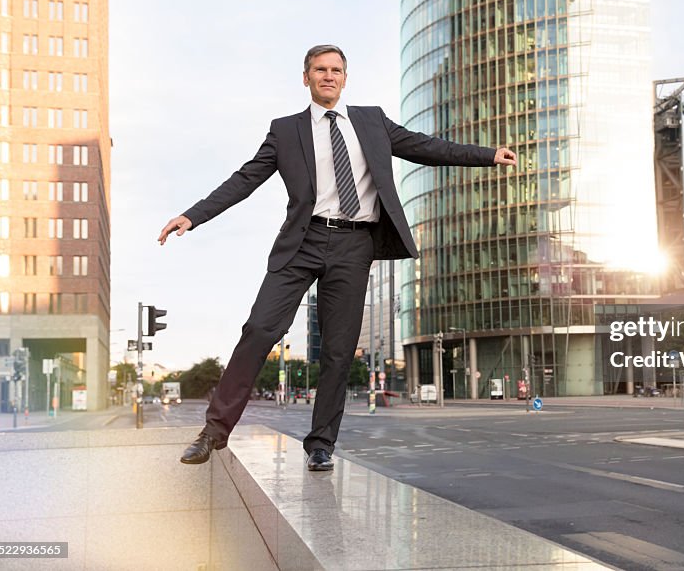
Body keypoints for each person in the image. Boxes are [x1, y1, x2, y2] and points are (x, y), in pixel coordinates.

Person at [159, 44, 517, 470]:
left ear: (345, 78)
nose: (328, 76)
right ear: (306, 77)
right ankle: (213, 432)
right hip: (303, 241)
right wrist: (193, 215)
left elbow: (426, 147)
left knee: (339, 350)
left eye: (336, 70)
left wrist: (487, 155)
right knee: (259, 328)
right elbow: (245, 179)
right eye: (320, 70)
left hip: (355, 244)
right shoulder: (285, 130)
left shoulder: (372, 121)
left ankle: (320, 445)